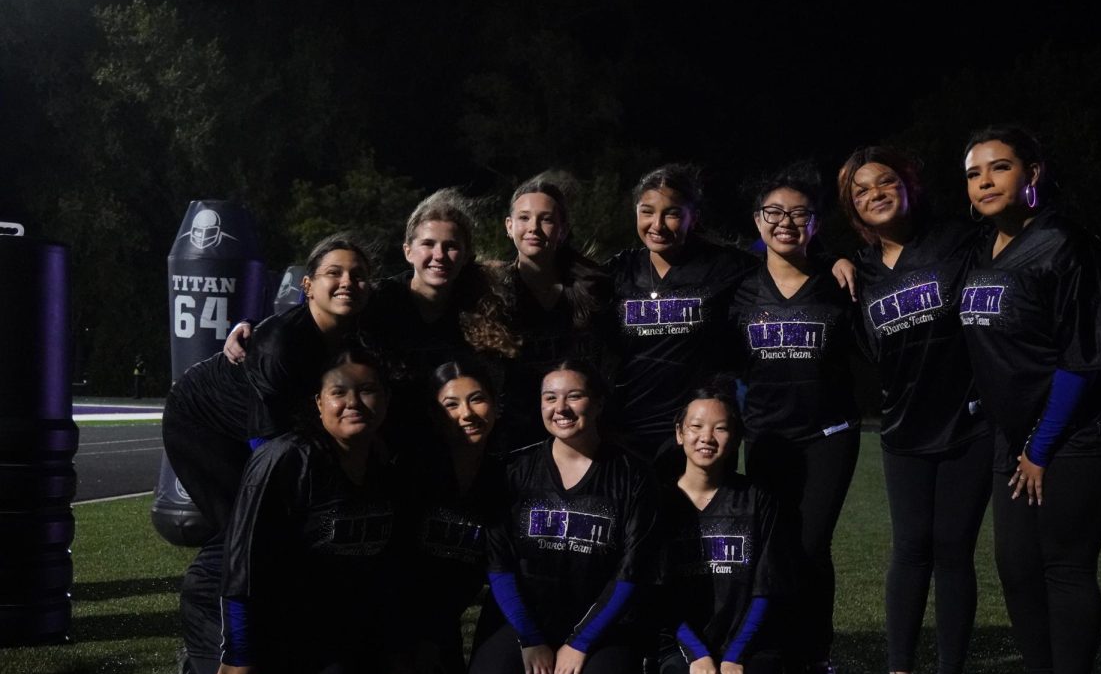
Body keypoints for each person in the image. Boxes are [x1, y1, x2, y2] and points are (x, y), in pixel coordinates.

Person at [960, 126, 1101, 674]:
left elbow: (1083, 360)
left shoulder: (1066, 244)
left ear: (1031, 173)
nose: (983, 182)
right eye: (974, 172)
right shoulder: (984, 245)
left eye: (998, 168)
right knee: (1015, 563)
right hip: (1018, 439)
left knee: (1063, 564)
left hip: (1080, 436)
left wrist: (1040, 447)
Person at [166, 233, 374, 674]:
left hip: (274, 430)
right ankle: (206, 640)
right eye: (333, 274)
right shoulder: (281, 346)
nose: (347, 282)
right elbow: (267, 454)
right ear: (307, 285)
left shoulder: (359, 326)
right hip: (205, 426)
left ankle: (288, 636)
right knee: (250, 525)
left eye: (358, 274)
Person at [837, 147, 992, 674]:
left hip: (968, 424)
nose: (874, 193)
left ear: (910, 185)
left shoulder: (957, 241)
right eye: (860, 191)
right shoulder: (860, 271)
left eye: (885, 182)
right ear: (852, 208)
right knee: (909, 550)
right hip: (902, 429)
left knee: (952, 550)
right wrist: (835, 266)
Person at [195, 346, 416, 674]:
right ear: (318, 402)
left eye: (367, 390)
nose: (353, 402)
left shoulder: (387, 465)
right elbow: (242, 567)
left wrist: (395, 646)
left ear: (385, 399)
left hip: (308, 614)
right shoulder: (285, 460)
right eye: (339, 392)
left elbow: (388, 570)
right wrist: (239, 653)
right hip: (230, 602)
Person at [224, 190, 520, 447]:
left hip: (448, 438)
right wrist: (251, 325)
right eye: (428, 244)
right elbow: (316, 307)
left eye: (451, 246)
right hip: (382, 438)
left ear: (467, 254)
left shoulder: (482, 308)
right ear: (408, 251)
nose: (439, 254)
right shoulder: (379, 300)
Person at [731, 161, 861, 674]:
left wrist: (840, 256)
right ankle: (774, 654)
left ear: (816, 223)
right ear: (757, 220)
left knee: (810, 549)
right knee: (771, 551)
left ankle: (814, 663)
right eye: (775, 212)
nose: (786, 222)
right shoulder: (738, 288)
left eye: (800, 213)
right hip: (766, 438)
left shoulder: (839, 281)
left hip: (827, 435)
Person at [468, 358, 659, 674]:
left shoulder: (633, 475)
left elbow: (632, 569)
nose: (561, 408)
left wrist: (580, 643)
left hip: (601, 624)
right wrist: (530, 638)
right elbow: (499, 564)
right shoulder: (515, 471)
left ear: (598, 403)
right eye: (550, 398)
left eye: (575, 396)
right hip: (527, 620)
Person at [656, 385, 785, 674]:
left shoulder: (757, 499)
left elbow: (766, 586)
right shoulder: (658, 502)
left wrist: (735, 655)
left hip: (748, 643)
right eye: (696, 427)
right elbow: (659, 595)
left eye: (721, 428)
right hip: (685, 644)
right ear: (679, 433)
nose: (706, 438)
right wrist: (697, 654)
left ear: (736, 436)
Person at [606, 163, 758, 461]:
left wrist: (829, 261)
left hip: (698, 429)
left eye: (672, 213)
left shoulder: (722, 266)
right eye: (647, 211)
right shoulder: (620, 270)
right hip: (629, 426)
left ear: (693, 218)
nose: (657, 224)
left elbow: (783, 266)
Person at [406, 359, 508, 674]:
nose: (467, 414)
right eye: (451, 405)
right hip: (399, 619)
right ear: (435, 416)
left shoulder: (503, 476)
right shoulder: (412, 473)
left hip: (443, 620)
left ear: (495, 406)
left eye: (477, 400)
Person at [488, 172, 613, 453]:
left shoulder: (593, 289)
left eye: (545, 219)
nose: (533, 227)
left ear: (563, 229)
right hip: (516, 441)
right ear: (509, 226)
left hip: (582, 435)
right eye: (523, 218)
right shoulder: (493, 295)